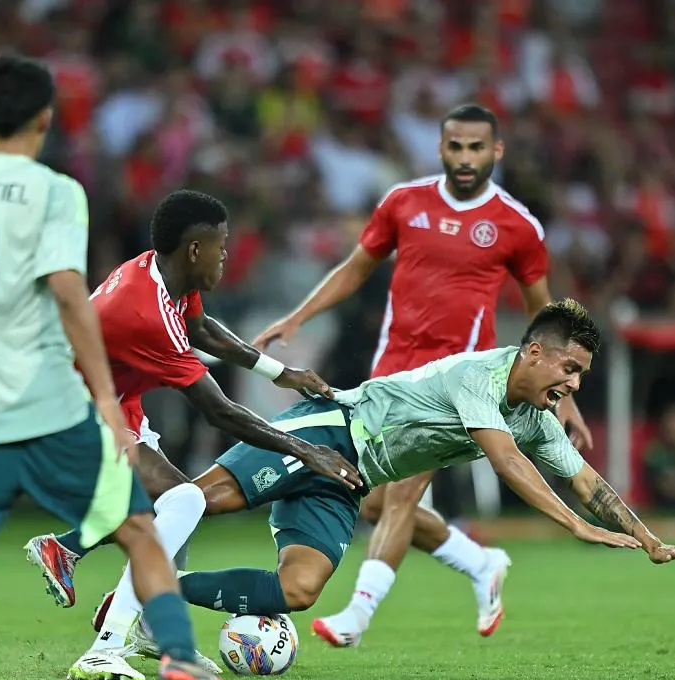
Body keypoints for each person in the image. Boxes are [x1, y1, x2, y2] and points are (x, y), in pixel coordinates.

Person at [0, 55, 252, 680]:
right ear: (44, 119)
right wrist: (104, 401)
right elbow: (68, 295)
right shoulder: (57, 192)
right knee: (146, 528)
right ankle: (173, 655)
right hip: (51, 402)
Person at [253, 103, 595, 645]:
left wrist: (563, 393)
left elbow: (543, 312)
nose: (464, 158)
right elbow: (355, 269)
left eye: (476, 148)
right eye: (455, 147)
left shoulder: (516, 226)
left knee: (401, 495)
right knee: (368, 497)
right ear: (440, 148)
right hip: (391, 373)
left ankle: (357, 617)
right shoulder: (402, 203)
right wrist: (296, 316)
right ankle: (481, 563)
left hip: (462, 383)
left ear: (495, 151)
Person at [175, 300, 675, 634]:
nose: (575, 386)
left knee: (300, 589)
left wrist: (647, 538)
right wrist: (575, 525)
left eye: (582, 375)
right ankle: (101, 543)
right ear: (535, 352)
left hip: (349, 479)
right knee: (199, 500)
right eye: (571, 368)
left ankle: (159, 590)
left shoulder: (534, 418)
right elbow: (505, 460)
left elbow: (587, 481)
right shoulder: (478, 376)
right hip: (330, 430)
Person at [24, 189, 362, 680]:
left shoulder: (164, 274)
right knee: (183, 501)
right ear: (195, 250)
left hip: (112, 404)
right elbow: (221, 413)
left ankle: (140, 619)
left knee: (177, 509)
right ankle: (104, 647)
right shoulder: (146, 313)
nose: (226, 255)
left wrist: (279, 372)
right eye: (222, 246)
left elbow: (202, 329)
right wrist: (305, 450)